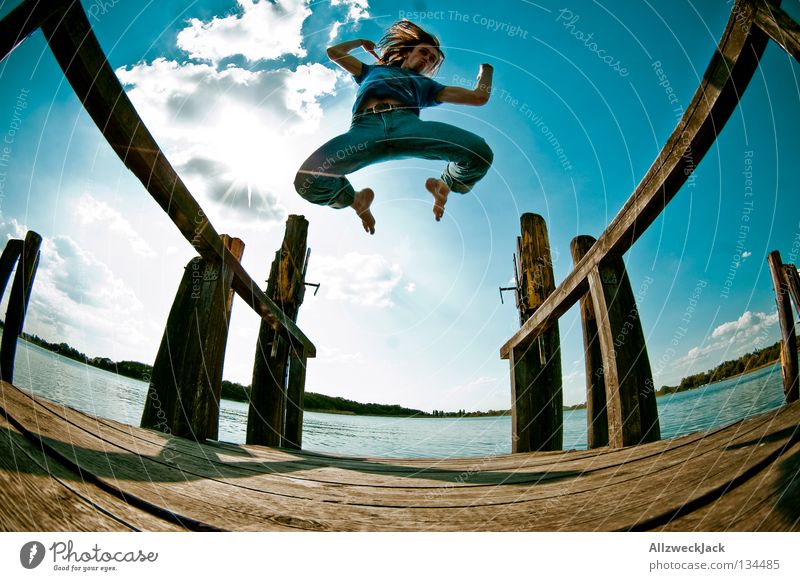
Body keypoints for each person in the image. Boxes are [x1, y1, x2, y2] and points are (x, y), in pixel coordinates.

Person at [294, 19, 494, 235]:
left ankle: (445, 184)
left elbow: (478, 97)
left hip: (407, 128)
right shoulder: (371, 71)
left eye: (432, 59)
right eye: (424, 52)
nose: (427, 59)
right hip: (365, 130)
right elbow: (335, 52)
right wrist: (361, 42)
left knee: (479, 153)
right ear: (407, 52)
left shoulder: (427, 86)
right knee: (307, 180)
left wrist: (486, 70)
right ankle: (355, 200)